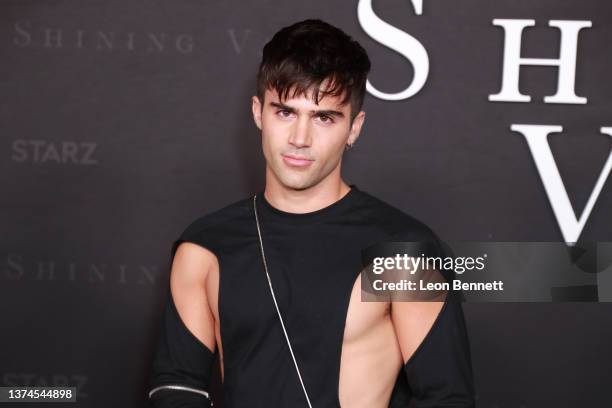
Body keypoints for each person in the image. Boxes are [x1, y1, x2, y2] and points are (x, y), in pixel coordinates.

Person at [147, 18, 475, 408]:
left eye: (323, 117)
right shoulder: (204, 249)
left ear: (354, 127)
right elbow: (178, 386)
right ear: (258, 113)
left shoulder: (403, 252)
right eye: (284, 112)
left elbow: (446, 397)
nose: (300, 139)